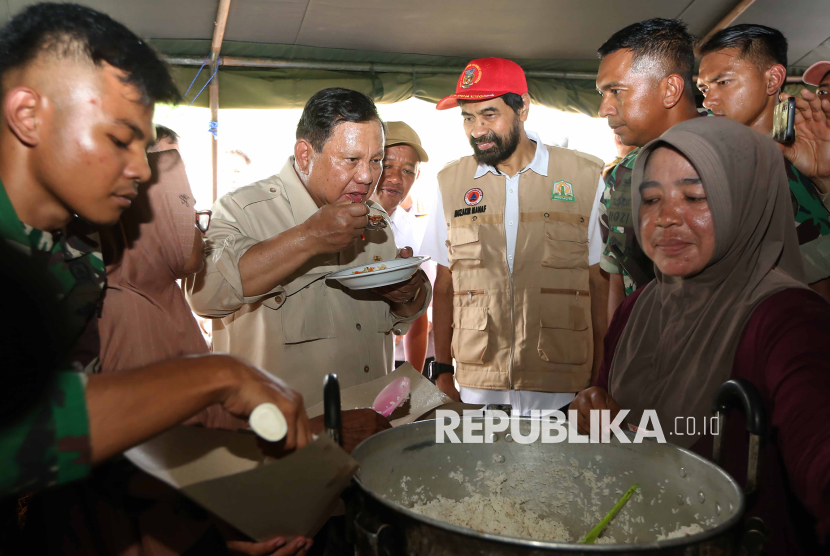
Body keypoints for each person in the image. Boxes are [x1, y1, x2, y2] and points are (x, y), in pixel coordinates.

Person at [0, 2, 310, 502]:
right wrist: (216, 375)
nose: (144, 172)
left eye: (143, 148)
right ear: (28, 116)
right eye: (120, 140)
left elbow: (78, 415)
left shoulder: (78, 247)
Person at [573, 117, 830, 554]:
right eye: (651, 199)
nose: (666, 218)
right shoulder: (639, 308)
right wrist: (593, 408)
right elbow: (612, 411)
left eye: (695, 196)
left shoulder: (788, 319)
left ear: (746, 203)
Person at [186, 88, 431, 407]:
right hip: (286, 438)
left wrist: (408, 294)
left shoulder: (375, 217)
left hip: (373, 422)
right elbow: (206, 296)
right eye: (351, 160)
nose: (367, 176)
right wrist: (308, 238)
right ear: (305, 154)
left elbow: (397, 321)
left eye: (376, 160)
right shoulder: (244, 210)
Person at [419, 58, 607, 414]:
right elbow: (444, 287)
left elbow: (600, 285)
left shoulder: (585, 177)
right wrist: (443, 370)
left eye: (489, 114)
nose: (477, 130)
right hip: (478, 389)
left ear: (523, 107)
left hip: (565, 387)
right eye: (468, 117)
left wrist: (602, 376)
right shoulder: (450, 183)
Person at [697, 24, 830, 301]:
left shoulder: (812, 150)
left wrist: (825, 181)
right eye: (703, 88)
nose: (709, 100)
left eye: (723, 82)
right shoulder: (704, 163)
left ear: (772, 80)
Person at [595, 18, 703, 321]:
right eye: (602, 94)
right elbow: (617, 280)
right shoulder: (620, 176)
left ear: (670, 89)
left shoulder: (744, 160)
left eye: (616, 91)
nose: (604, 109)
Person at [371, 121, 431, 373]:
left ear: (417, 176)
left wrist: (412, 383)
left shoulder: (417, 233)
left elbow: (419, 317)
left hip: (393, 362)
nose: (396, 179)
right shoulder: (335, 221)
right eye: (387, 166)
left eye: (408, 171)